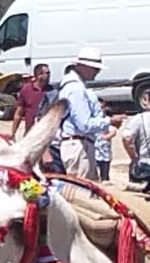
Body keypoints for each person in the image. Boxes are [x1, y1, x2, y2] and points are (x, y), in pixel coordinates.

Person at [55, 47, 125, 180]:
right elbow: (84, 124)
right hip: (78, 145)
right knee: (82, 193)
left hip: (80, 144)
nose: (97, 72)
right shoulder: (75, 89)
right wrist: (109, 121)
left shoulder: (75, 86)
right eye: (95, 68)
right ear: (83, 66)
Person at [10, 64, 51, 138]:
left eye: (49, 73)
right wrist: (13, 133)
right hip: (30, 133)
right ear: (39, 75)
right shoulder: (26, 90)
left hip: (46, 134)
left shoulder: (52, 91)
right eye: (47, 73)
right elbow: (19, 113)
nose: (48, 75)